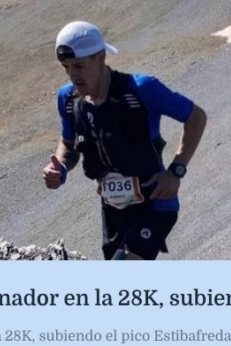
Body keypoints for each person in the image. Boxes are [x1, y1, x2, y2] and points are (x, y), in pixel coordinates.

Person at [42, 20, 207, 260]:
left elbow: (196, 117)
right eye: (66, 67)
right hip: (113, 211)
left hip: (155, 204)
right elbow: (68, 144)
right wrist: (60, 167)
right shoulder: (68, 99)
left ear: (101, 58)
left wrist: (176, 170)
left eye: (79, 65)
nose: (72, 75)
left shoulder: (141, 89)